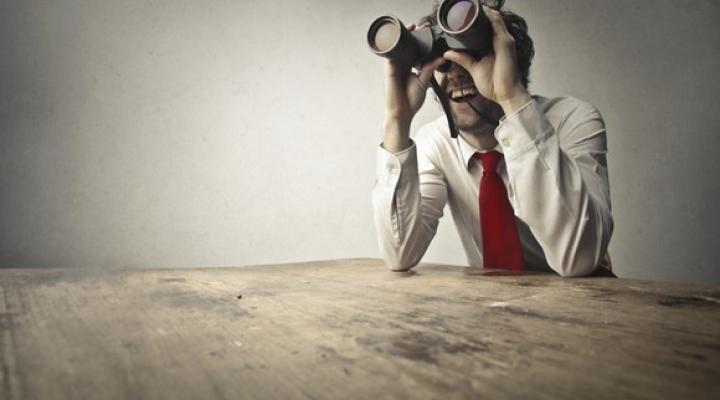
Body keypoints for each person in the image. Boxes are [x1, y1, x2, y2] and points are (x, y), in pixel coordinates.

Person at [371, 4, 613, 277]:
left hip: (586, 303)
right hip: (494, 311)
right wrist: (397, 120)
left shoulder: (572, 120)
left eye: (473, 56)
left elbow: (580, 258)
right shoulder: (435, 142)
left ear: (512, 62)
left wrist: (511, 97)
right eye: (444, 60)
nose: (457, 73)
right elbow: (400, 254)